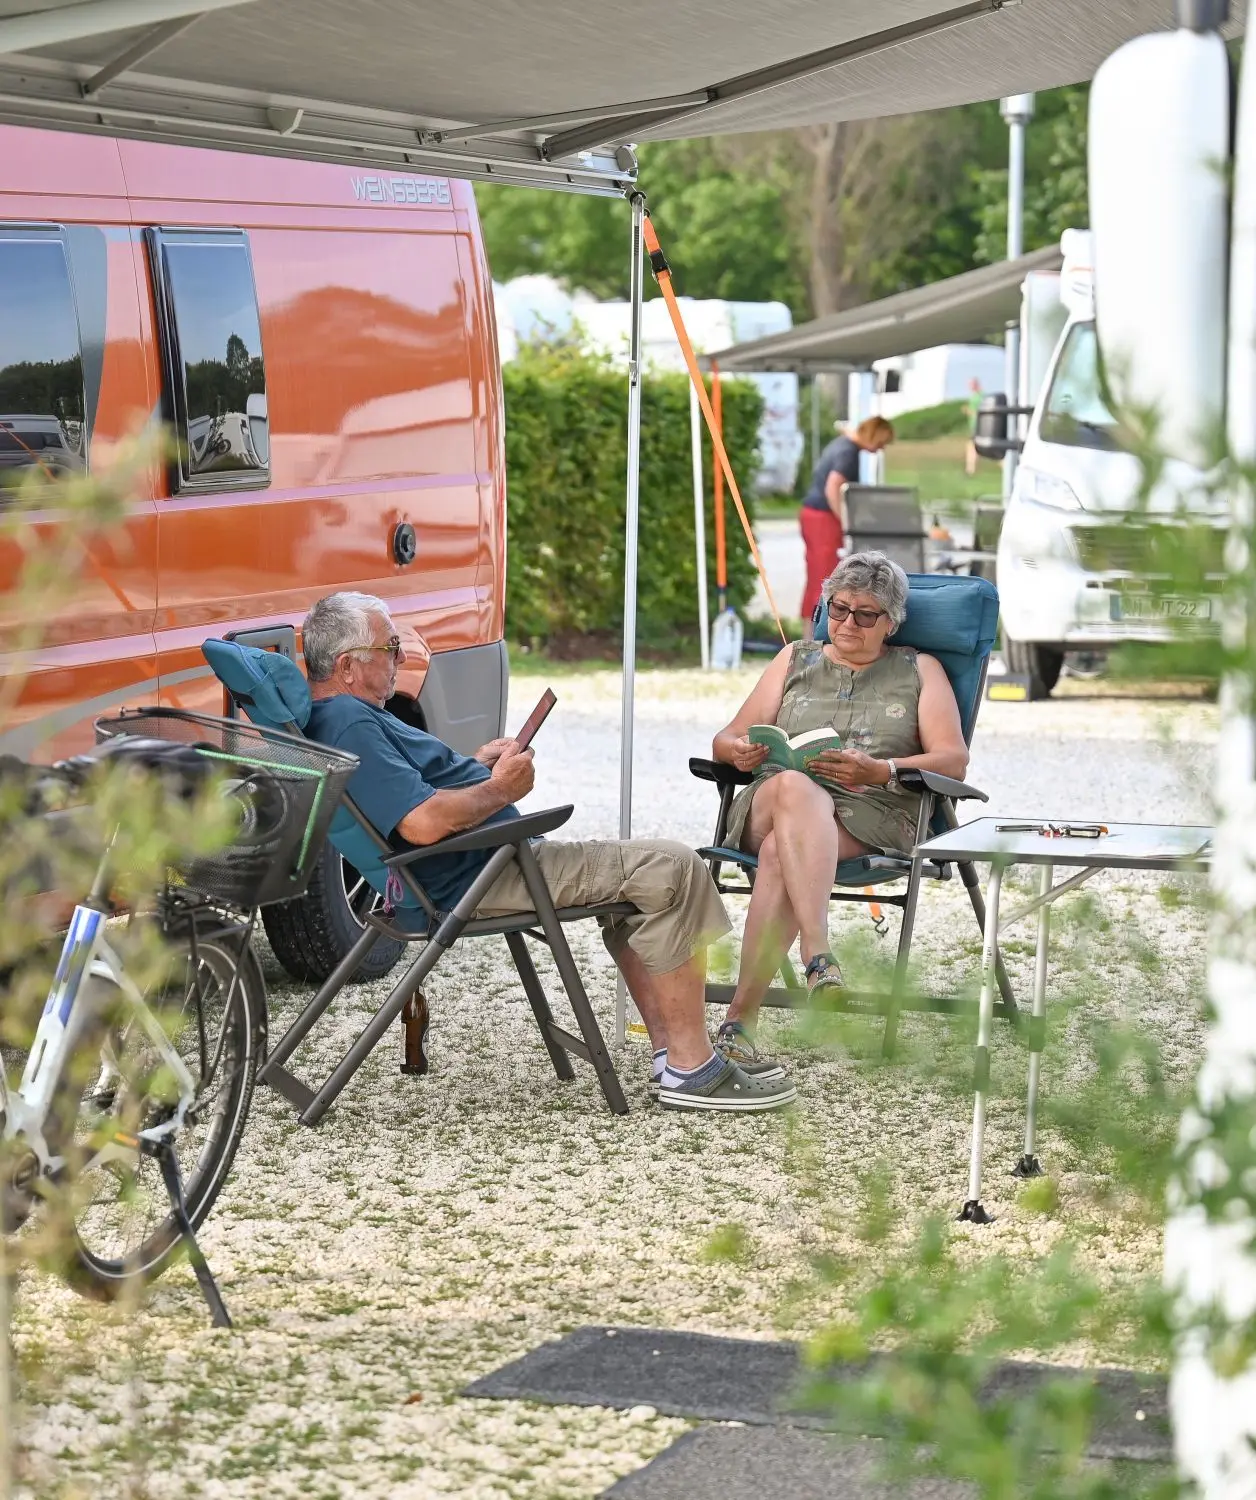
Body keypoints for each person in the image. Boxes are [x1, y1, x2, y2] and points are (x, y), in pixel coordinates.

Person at [300, 591, 796, 1112]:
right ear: (348, 666)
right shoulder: (351, 724)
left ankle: (672, 1053)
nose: (401, 658)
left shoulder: (341, 718)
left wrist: (473, 768)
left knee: (647, 879)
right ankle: (693, 1068)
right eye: (391, 647)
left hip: (476, 863)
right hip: (484, 872)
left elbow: (410, 793)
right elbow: (422, 824)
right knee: (675, 867)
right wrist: (501, 791)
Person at [707, 552, 969, 1068]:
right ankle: (817, 953)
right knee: (792, 788)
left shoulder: (919, 670)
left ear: (891, 621)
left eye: (866, 614)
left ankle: (740, 1021)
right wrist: (737, 751)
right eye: (839, 609)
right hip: (769, 799)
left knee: (785, 853)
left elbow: (953, 759)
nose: (848, 622)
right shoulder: (794, 659)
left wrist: (881, 770)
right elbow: (725, 736)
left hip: (869, 812)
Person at [799, 416, 895, 638]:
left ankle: (807, 637)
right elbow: (833, 487)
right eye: (883, 441)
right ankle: (818, 637)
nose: (882, 447)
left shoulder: (842, 444)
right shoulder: (849, 451)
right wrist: (846, 524)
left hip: (811, 515)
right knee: (827, 580)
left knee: (815, 578)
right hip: (824, 519)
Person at [964, 376, 983, 477]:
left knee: (972, 447)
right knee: (973, 448)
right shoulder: (975, 396)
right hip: (974, 426)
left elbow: (978, 412)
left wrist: (969, 411)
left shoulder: (979, 397)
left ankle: (970, 470)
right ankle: (970, 469)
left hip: (977, 426)